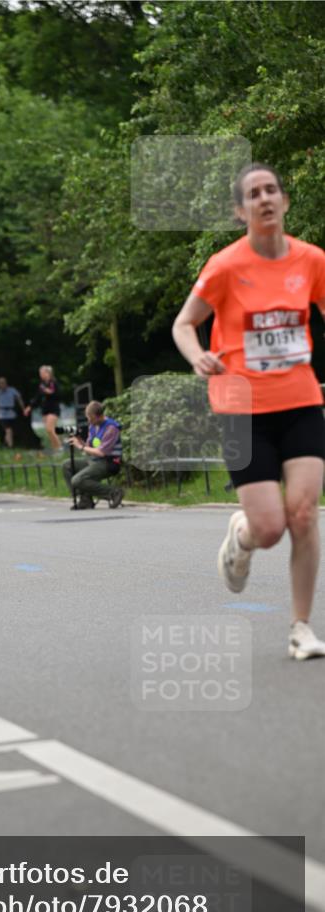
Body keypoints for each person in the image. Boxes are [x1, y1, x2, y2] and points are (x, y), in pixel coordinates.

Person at [173, 162, 325, 661]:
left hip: (301, 399)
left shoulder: (311, 261)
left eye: (272, 190)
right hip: (241, 406)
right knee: (269, 528)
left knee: (303, 515)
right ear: (241, 211)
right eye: (254, 193)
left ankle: (300, 627)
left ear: (283, 201)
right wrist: (198, 356)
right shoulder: (225, 266)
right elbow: (183, 324)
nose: (264, 199)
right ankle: (241, 537)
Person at [62, 401, 124, 509]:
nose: (89, 421)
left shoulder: (111, 428)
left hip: (109, 462)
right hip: (94, 460)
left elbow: (101, 452)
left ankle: (113, 492)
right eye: (88, 418)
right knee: (67, 465)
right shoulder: (93, 426)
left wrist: (80, 447)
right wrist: (78, 440)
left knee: (77, 480)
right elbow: (88, 447)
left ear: (99, 416)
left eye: (91, 418)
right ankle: (85, 499)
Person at [24, 365, 61, 451]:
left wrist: (50, 392)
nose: (40, 374)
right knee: (49, 431)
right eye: (40, 373)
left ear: (48, 373)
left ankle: (59, 448)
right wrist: (29, 407)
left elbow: (58, 394)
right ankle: (55, 449)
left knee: (49, 428)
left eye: (42, 372)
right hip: (45, 410)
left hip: (54, 409)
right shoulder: (42, 385)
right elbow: (37, 397)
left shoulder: (54, 383)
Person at [0, 377, 25, 448]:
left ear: (6, 383)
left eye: (3, 383)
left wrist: (23, 409)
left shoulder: (12, 391)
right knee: (8, 430)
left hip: (11, 413)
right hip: (2, 414)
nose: (2, 384)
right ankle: (11, 446)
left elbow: (19, 400)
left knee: (11, 431)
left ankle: (5, 443)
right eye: (0, 383)